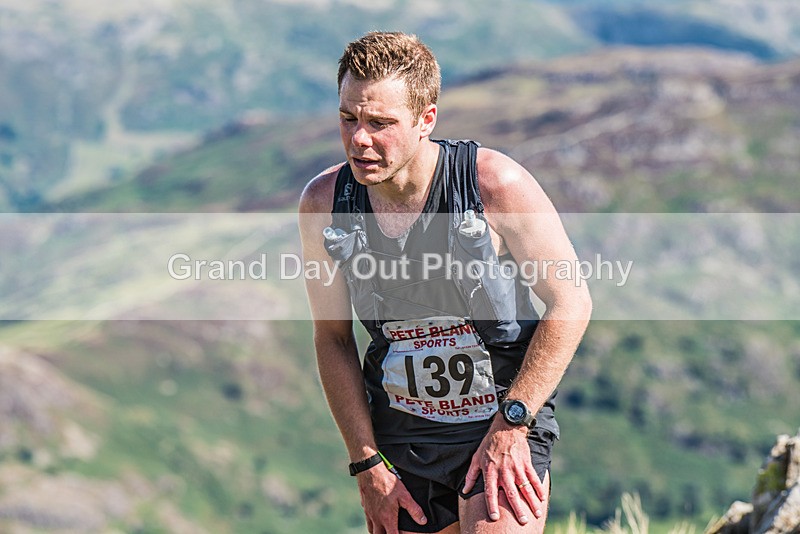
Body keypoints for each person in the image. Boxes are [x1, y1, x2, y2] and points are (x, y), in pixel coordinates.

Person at [299, 31, 592, 534]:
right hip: (401, 436)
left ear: (425, 119)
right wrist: (366, 463)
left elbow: (571, 301)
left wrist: (514, 422)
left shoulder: (494, 185)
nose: (359, 139)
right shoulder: (324, 204)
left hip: (498, 419)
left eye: (380, 123)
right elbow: (332, 338)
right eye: (348, 119)